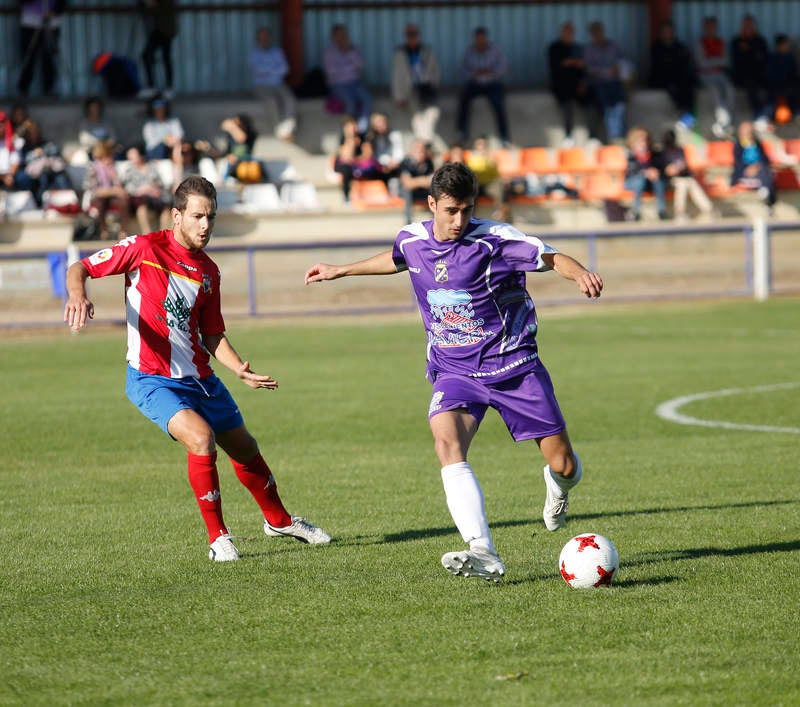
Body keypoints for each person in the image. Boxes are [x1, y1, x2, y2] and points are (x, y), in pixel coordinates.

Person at [304, 162, 603, 582]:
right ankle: (483, 550)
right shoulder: (411, 238)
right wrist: (341, 269)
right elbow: (395, 260)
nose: (459, 220)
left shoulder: (495, 241)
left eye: (466, 210)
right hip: (455, 370)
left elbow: (550, 256)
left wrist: (581, 274)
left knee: (565, 464)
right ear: (431, 205)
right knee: (447, 444)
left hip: (514, 367)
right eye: (449, 211)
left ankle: (559, 487)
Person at [63, 175, 331, 561]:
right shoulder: (144, 248)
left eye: (211, 217)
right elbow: (80, 266)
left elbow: (213, 334)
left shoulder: (209, 271)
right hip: (152, 379)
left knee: (246, 449)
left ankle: (279, 520)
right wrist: (77, 293)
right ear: (176, 216)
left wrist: (238, 368)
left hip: (202, 380)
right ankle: (218, 538)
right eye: (198, 216)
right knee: (201, 439)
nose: (206, 226)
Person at [457, 27, 510, 146]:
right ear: (475, 39)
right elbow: (463, 69)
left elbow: (504, 66)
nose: (480, 42)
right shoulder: (469, 52)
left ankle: (504, 136)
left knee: (498, 103)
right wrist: (475, 73)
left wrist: (491, 71)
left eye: (482, 39)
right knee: (464, 98)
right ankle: (462, 132)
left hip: (492, 83)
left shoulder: (495, 50)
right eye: (478, 39)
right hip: (475, 83)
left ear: (485, 38)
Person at [391, 24, 441, 143]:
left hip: (426, 88)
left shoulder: (426, 51)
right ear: (405, 36)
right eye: (409, 35)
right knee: (417, 117)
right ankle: (425, 143)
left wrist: (433, 84)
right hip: (410, 90)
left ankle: (423, 142)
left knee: (433, 112)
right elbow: (396, 76)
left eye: (414, 34)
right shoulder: (400, 53)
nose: (412, 38)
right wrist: (399, 97)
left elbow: (435, 70)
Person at [250, 26, 297, 141]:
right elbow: (258, 70)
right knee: (271, 101)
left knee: (289, 99)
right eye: (262, 37)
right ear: (258, 39)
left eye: (266, 37)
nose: (264, 39)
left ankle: (288, 129)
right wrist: (274, 69)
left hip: (278, 83)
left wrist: (268, 70)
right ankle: (280, 129)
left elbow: (285, 69)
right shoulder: (254, 53)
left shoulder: (277, 51)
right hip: (261, 85)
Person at [323, 24, 372, 133]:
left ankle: (362, 130)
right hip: (338, 84)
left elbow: (360, 65)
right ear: (333, 36)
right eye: (339, 35)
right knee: (349, 102)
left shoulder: (353, 49)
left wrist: (348, 53)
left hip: (355, 82)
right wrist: (350, 67)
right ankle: (349, 132)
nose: (342, 37)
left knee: (367, 99)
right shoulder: (329, 52)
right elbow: (332, 71)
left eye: (344, 34)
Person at [584, 21, 627, 143]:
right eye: (595, 32)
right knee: (608, 109)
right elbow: (590, 69)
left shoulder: (613, 46)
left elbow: (623, 61)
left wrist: (619, 68)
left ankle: (621, 136)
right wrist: (607, 71)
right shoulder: (589, 49)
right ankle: (614, 138)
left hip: (616, 83)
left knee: (620, 108)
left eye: (600, 31)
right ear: (591, 34)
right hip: (600, 84)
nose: (598, 34)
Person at [649, 19, 698, 126]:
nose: (667, 33)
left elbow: (685, 63)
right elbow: (658, 67)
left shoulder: (680, 47)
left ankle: (688, 118)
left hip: (679, 78)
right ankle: (681, 114)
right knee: (674, 88)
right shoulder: (656, 47)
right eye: (665, 31)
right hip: (662, 79)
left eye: (669, 31)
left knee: (688, 87)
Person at [547, 21, 589, 147]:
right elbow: (556, 66)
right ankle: (568, 135)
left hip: (577, 84)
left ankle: (593, 136)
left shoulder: (578, 48)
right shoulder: (554, 48)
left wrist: (582, 83)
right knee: (567, 105)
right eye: (566, 32)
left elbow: (583, 68)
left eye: (571, 32)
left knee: (593, 102)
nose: (569, 34)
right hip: (561, 85)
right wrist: (570, 63)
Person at [660, 129, 713, 221]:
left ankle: (708, 210)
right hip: (669, 180)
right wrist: (670, 170)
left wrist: (681, 168)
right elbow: (663, 170)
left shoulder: (680, 150)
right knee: (682, 183)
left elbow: (685, 165)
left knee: (689, 181)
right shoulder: (662, 152)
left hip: (683, 177)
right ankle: (679, 213)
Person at [17, 0, 67, 97]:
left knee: (49, 57)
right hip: (30, 22)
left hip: (51, 23)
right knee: (29, 57)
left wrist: (55, 11)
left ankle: (49, 89)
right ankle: (23, 88)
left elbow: (63, 2)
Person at [696, 16, 735, 138]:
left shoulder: (720, 42)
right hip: (705, 75)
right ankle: (722, 122)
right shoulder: (700, 43)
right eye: (708, 27)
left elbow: (727, 61)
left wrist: (711, 61)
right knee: (715, 90)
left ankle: (727, 121)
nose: (711, 29)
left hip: (720, 74)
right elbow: (701, 63)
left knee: (730, 89)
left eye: (713, 27)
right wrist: (718, 61)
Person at [83, 139, 129, 240]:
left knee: (124, 202)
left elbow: (120, 188)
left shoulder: (113, 167)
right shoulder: (93, 168)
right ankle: (103, 230)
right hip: (98, 197)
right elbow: (95, 190)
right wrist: (114, 190)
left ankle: (123, 231)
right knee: (101, 202)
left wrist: (114, 176)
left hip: (111, 197)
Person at [121, 143, 170, 233]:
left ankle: (164, 233)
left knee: (165, 207)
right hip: (138, 199)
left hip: (153, 196)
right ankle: (147, 233)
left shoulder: (151, 167)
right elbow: (128, 188)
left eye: (133, 154)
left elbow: (159, 183)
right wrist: (142, 190)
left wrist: (152, 188)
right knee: (142, 206)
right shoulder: (129, 170)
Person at [730, 14, 769, 122]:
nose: (748, 28)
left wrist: (750, 49)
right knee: (751, 85)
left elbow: (763, 58)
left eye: (750, 25)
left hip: (759, 73)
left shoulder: (760, 40)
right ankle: (758, 115)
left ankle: (768, 113)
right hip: (743, 75)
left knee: (774, 84)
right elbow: (737, 60)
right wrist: (752, 53)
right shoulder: (737, 41)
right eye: (746, 25)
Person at [624, 126, 667, 221]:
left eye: (646, 140)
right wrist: (645, 172)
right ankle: (636, 211)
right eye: (641, 140)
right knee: (640, 179)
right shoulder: (630, 155)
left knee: (657, 179)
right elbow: (631, 171)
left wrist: (655, 171)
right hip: (632, 182)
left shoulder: (654, 154)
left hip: (649, 183)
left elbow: (661, 167)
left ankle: (661, 211)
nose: (644, 143)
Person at [731, 120, 776, 211]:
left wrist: (757, 166)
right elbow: (737, 163)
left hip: (760, 171)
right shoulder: (738, 145)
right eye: (747, 133)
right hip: (744, 173)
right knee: (764, 174)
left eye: (751, 133)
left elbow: (765, 159)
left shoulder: (757, 144)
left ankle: (766, 195)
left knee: (766, 171)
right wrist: (748, 168)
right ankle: (766, 194)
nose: (749, 135)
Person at [138, 0, 178, 99]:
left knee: (165, 57)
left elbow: (156, 8)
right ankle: (152, 87)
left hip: (166, 29)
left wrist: (151, 4)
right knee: (148, 55)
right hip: (158, 29)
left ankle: (168, 87)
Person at [766, 34, 800, 124]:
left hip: (790, 86)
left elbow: (794, 74)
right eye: (784, 44)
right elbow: (771, 75)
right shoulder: (773, 58)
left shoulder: (790, 58)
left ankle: (796, 113)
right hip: (777, 87)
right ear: (779, 46)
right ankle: (767, 117)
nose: (786, 47)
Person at [142, 96, 184, 160]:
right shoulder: (149, 124)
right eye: (157, 109)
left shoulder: (174, 121)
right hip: (155, 151)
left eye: (162, 108)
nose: (160, 110)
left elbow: (180, 135)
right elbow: (151, 141)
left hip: (172, 148)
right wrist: (166, 140)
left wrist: (171, 141)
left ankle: (178, 167)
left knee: (180, 147)